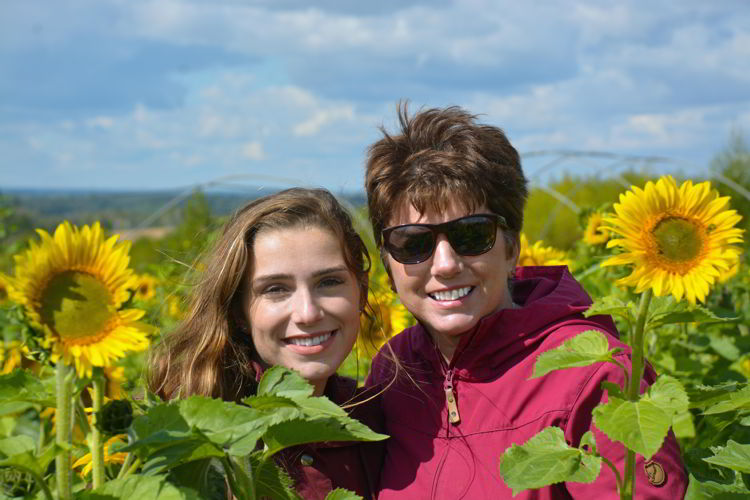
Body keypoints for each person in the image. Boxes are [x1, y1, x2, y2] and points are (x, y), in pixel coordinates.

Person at [363, 104, 688, 499]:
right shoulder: (393, 371)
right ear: (388, 261)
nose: (445, 264)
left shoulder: (595, 375)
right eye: (413, 243)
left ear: (512, 248)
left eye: (471, 235)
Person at [148, 187, 383, 500]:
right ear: (239, 312)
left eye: (328, 282)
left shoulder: (382, 423)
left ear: (361, 293)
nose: (308, 313)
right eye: (275, 289)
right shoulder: (191, 435)